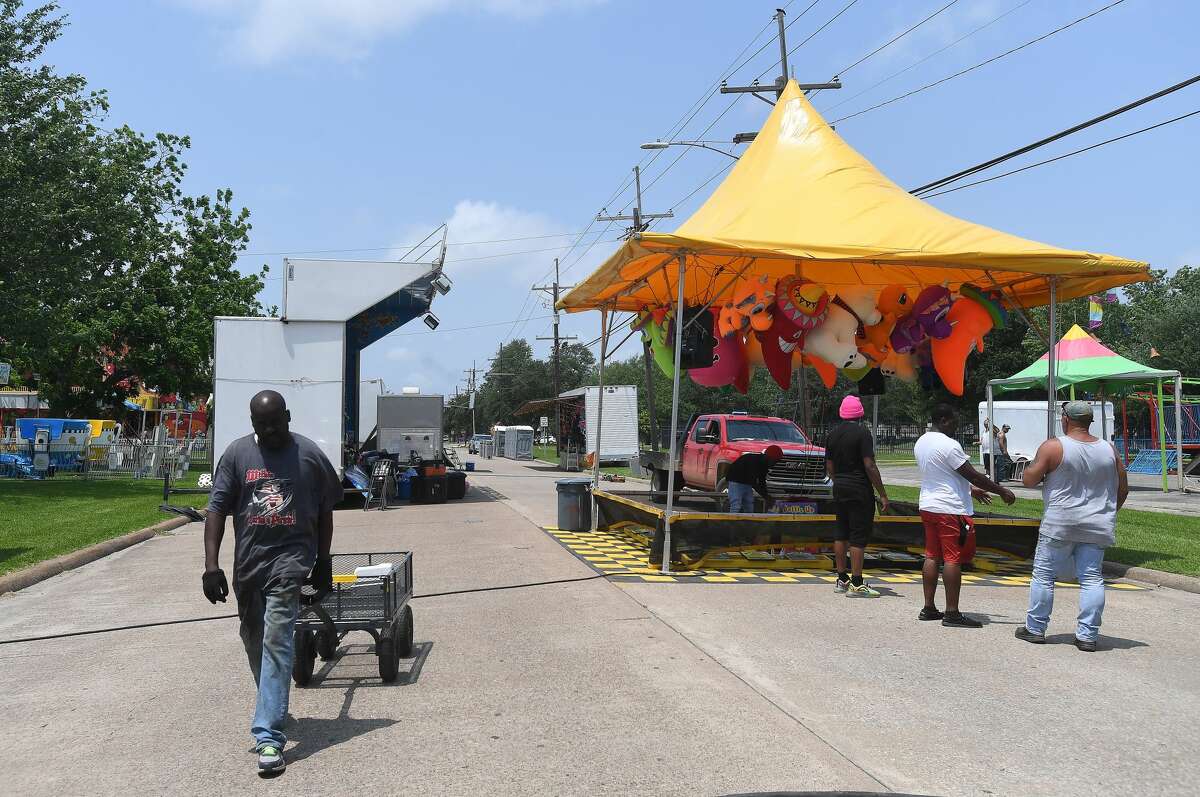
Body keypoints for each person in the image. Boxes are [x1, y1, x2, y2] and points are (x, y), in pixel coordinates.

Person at [202, 390, 342, 775]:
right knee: (253, 638)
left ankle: (268, 737)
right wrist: (211, 566)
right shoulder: (236, 455)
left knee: (277, 638)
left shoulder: (309, 456)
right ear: (252, 423)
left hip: (290, 562)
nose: (268, 430)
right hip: (249, 567)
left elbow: (326, 511)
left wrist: (324, 563)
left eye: (275, 422)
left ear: (288, 417)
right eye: (260, 424)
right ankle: (273, 702)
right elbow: (216, 510)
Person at [1014, 401, 1128, 652]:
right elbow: (1123, 488)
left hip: (1060, 522)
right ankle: (1087, 635)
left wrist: (1034, 468)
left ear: (1065, 419)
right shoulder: (1109, 449)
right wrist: (1107, 512)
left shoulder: (1054, 446)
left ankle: (1035, 628)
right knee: (1091, 579)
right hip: (1097, 524)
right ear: (1090, 421)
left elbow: (1029, 481)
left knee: (1044, 576)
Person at [915, 403, 1016, 628]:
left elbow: (941, 474)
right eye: (953, 421)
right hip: (950, 509)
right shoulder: (949, 445)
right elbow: (973, 475)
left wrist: (970, 490)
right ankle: (952, 613)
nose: (956, 426)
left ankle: (928, 607)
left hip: (928, 505)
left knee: (931, 555)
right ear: (943, 420)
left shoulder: (922, 441)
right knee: (953, 559)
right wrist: (1002, 491)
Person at [824, 395, 889, 597]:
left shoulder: (832, 435)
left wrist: (839, 480)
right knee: (858, 535)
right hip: (859, 488)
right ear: (860, 414)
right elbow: (869, 465)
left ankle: (842, 578)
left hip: (840, 487)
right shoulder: (863, 434)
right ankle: (857, 582)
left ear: (842, 413)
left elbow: (829, 468)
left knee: (840, 532)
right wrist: (882, 493)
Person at [725, 444, 783, 513]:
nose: (774, 464)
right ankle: (732, 521)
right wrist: (766, 496)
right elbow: (754, 482)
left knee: (749, 504)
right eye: (774, 461)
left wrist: (766, 495)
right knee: (736, 504)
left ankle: (748, 521)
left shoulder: (763, 463)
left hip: (745, 481)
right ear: (769, 458)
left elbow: (762, 482)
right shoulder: (754, 461)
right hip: (735, 480)